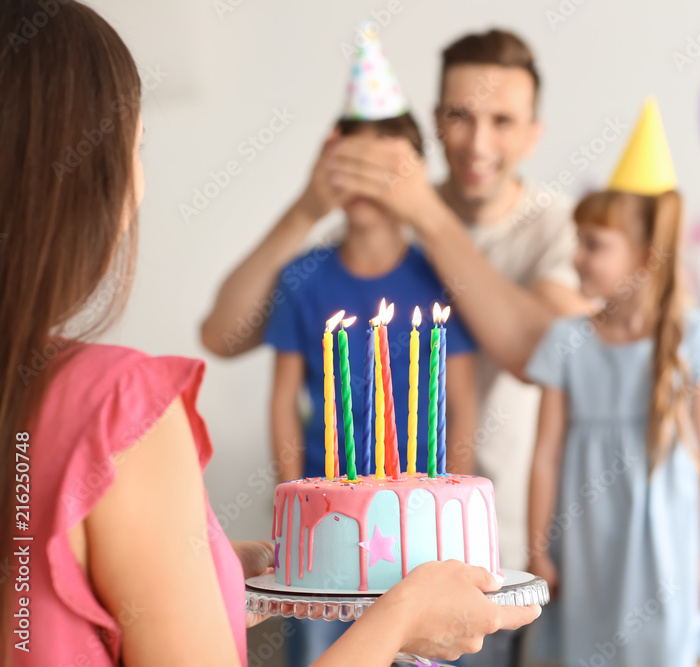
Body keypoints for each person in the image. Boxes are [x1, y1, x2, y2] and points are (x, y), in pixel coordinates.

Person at [0, 3, 539, 665]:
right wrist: (395, 616)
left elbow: (535, 350)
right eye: (136, 148)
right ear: (96, 178)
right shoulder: (117, 405)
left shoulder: (508, 245)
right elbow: (223, 332)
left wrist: (209, 574)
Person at [200, 29, 590, 665]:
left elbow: (537, 351)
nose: (479, 141)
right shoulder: (379, 214)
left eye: (503, 119)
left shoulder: (549, 227)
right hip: (349, 538)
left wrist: (427, 217)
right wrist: (308, 205)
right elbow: (222, 333)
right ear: (436, 123)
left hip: (489, 541)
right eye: (461, 116)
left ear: (532, 133)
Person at [263, 28, 478, 666]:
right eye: (348, 162)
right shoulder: (303, 277)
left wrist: (442, 506)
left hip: (418, 526)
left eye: (381, 162)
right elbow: (282, 403)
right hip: (331, 526)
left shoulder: (436, 276)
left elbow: (460, 401)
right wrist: (297, 516)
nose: (364, 179)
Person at [524, 102, 700, 666]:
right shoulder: (567, 342)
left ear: (645, 257)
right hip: (591, 539)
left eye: (594, 245)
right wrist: (538, 549)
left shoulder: (694, 339)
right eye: (578, 240)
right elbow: (546, 456)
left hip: (671, 544)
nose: (576, 257)